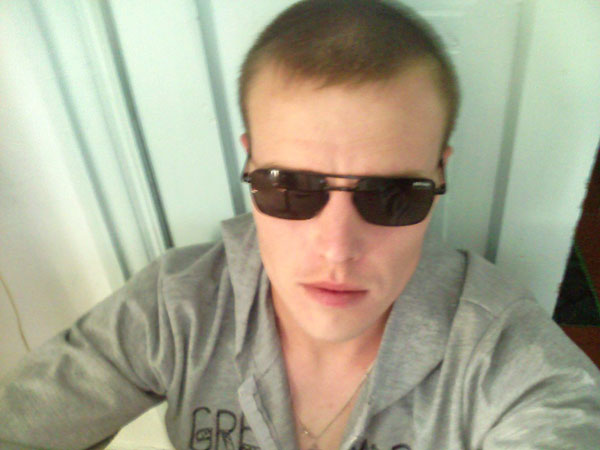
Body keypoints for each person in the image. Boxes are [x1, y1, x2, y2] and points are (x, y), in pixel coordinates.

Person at [1, 0, 600, 449]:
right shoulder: (177, 308)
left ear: (439, 173)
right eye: (289, 188)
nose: (337, 249)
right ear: (249, 162)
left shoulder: (501, 354)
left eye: (392, 195)